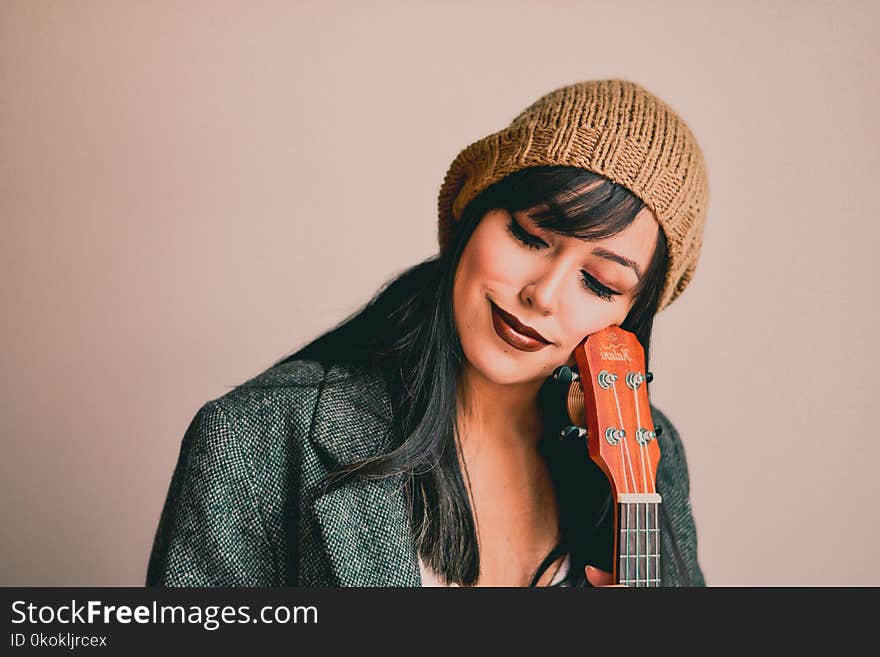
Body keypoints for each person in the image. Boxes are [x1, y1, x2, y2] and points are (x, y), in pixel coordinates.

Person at [146, 79, 708, 588]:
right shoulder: (254, 436)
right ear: (472, 214)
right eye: (529, 236)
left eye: (600, 282)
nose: (543, 294)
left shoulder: (653, 456)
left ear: (629, 317)